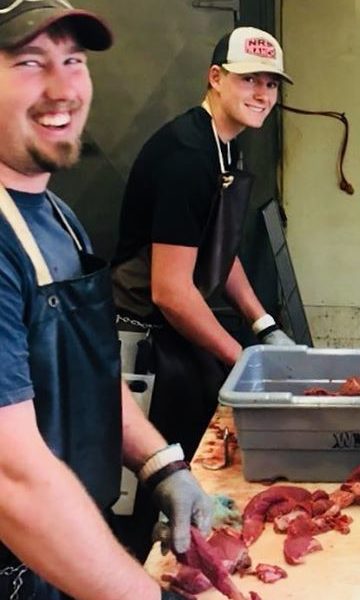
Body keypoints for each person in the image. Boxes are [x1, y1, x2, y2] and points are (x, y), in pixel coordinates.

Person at [0, 1, 211, 599]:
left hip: (58, 559)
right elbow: (12, 481)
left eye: (74, 60)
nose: (63, 89)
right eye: (29, 63)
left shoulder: (59, 219)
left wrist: (162, 465)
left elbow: (89, 377)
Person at [110, 26, 295, 559]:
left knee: (196, 471)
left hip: (175, 333)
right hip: (143, 344)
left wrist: (264, 325)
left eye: (271, 84)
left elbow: (218, 246)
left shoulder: (227, 147)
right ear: (216, 78)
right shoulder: (186, 156)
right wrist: (243, 360)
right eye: (249, 80)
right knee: (150, 498)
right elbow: (171, 291)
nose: (262, 94)